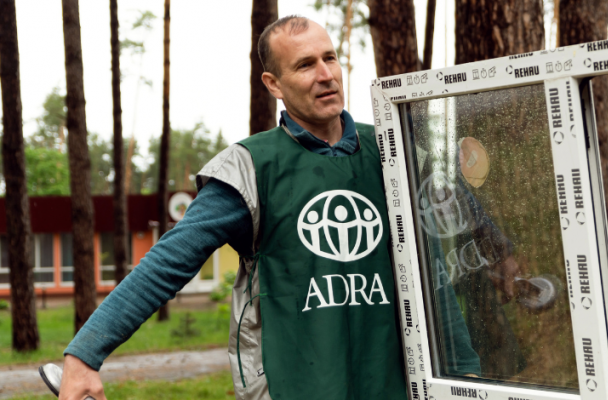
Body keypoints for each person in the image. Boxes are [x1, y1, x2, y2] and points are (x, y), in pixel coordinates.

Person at [58, 16, 479, 400]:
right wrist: (85, 353)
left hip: (393, 384)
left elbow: (443, 253)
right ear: (274, 84)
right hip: (294, 385)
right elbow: (168, 261)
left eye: (330, 58)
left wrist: (467, 372)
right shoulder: (250, 168)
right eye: (305, 65)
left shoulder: (392, 150)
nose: (326, 75)